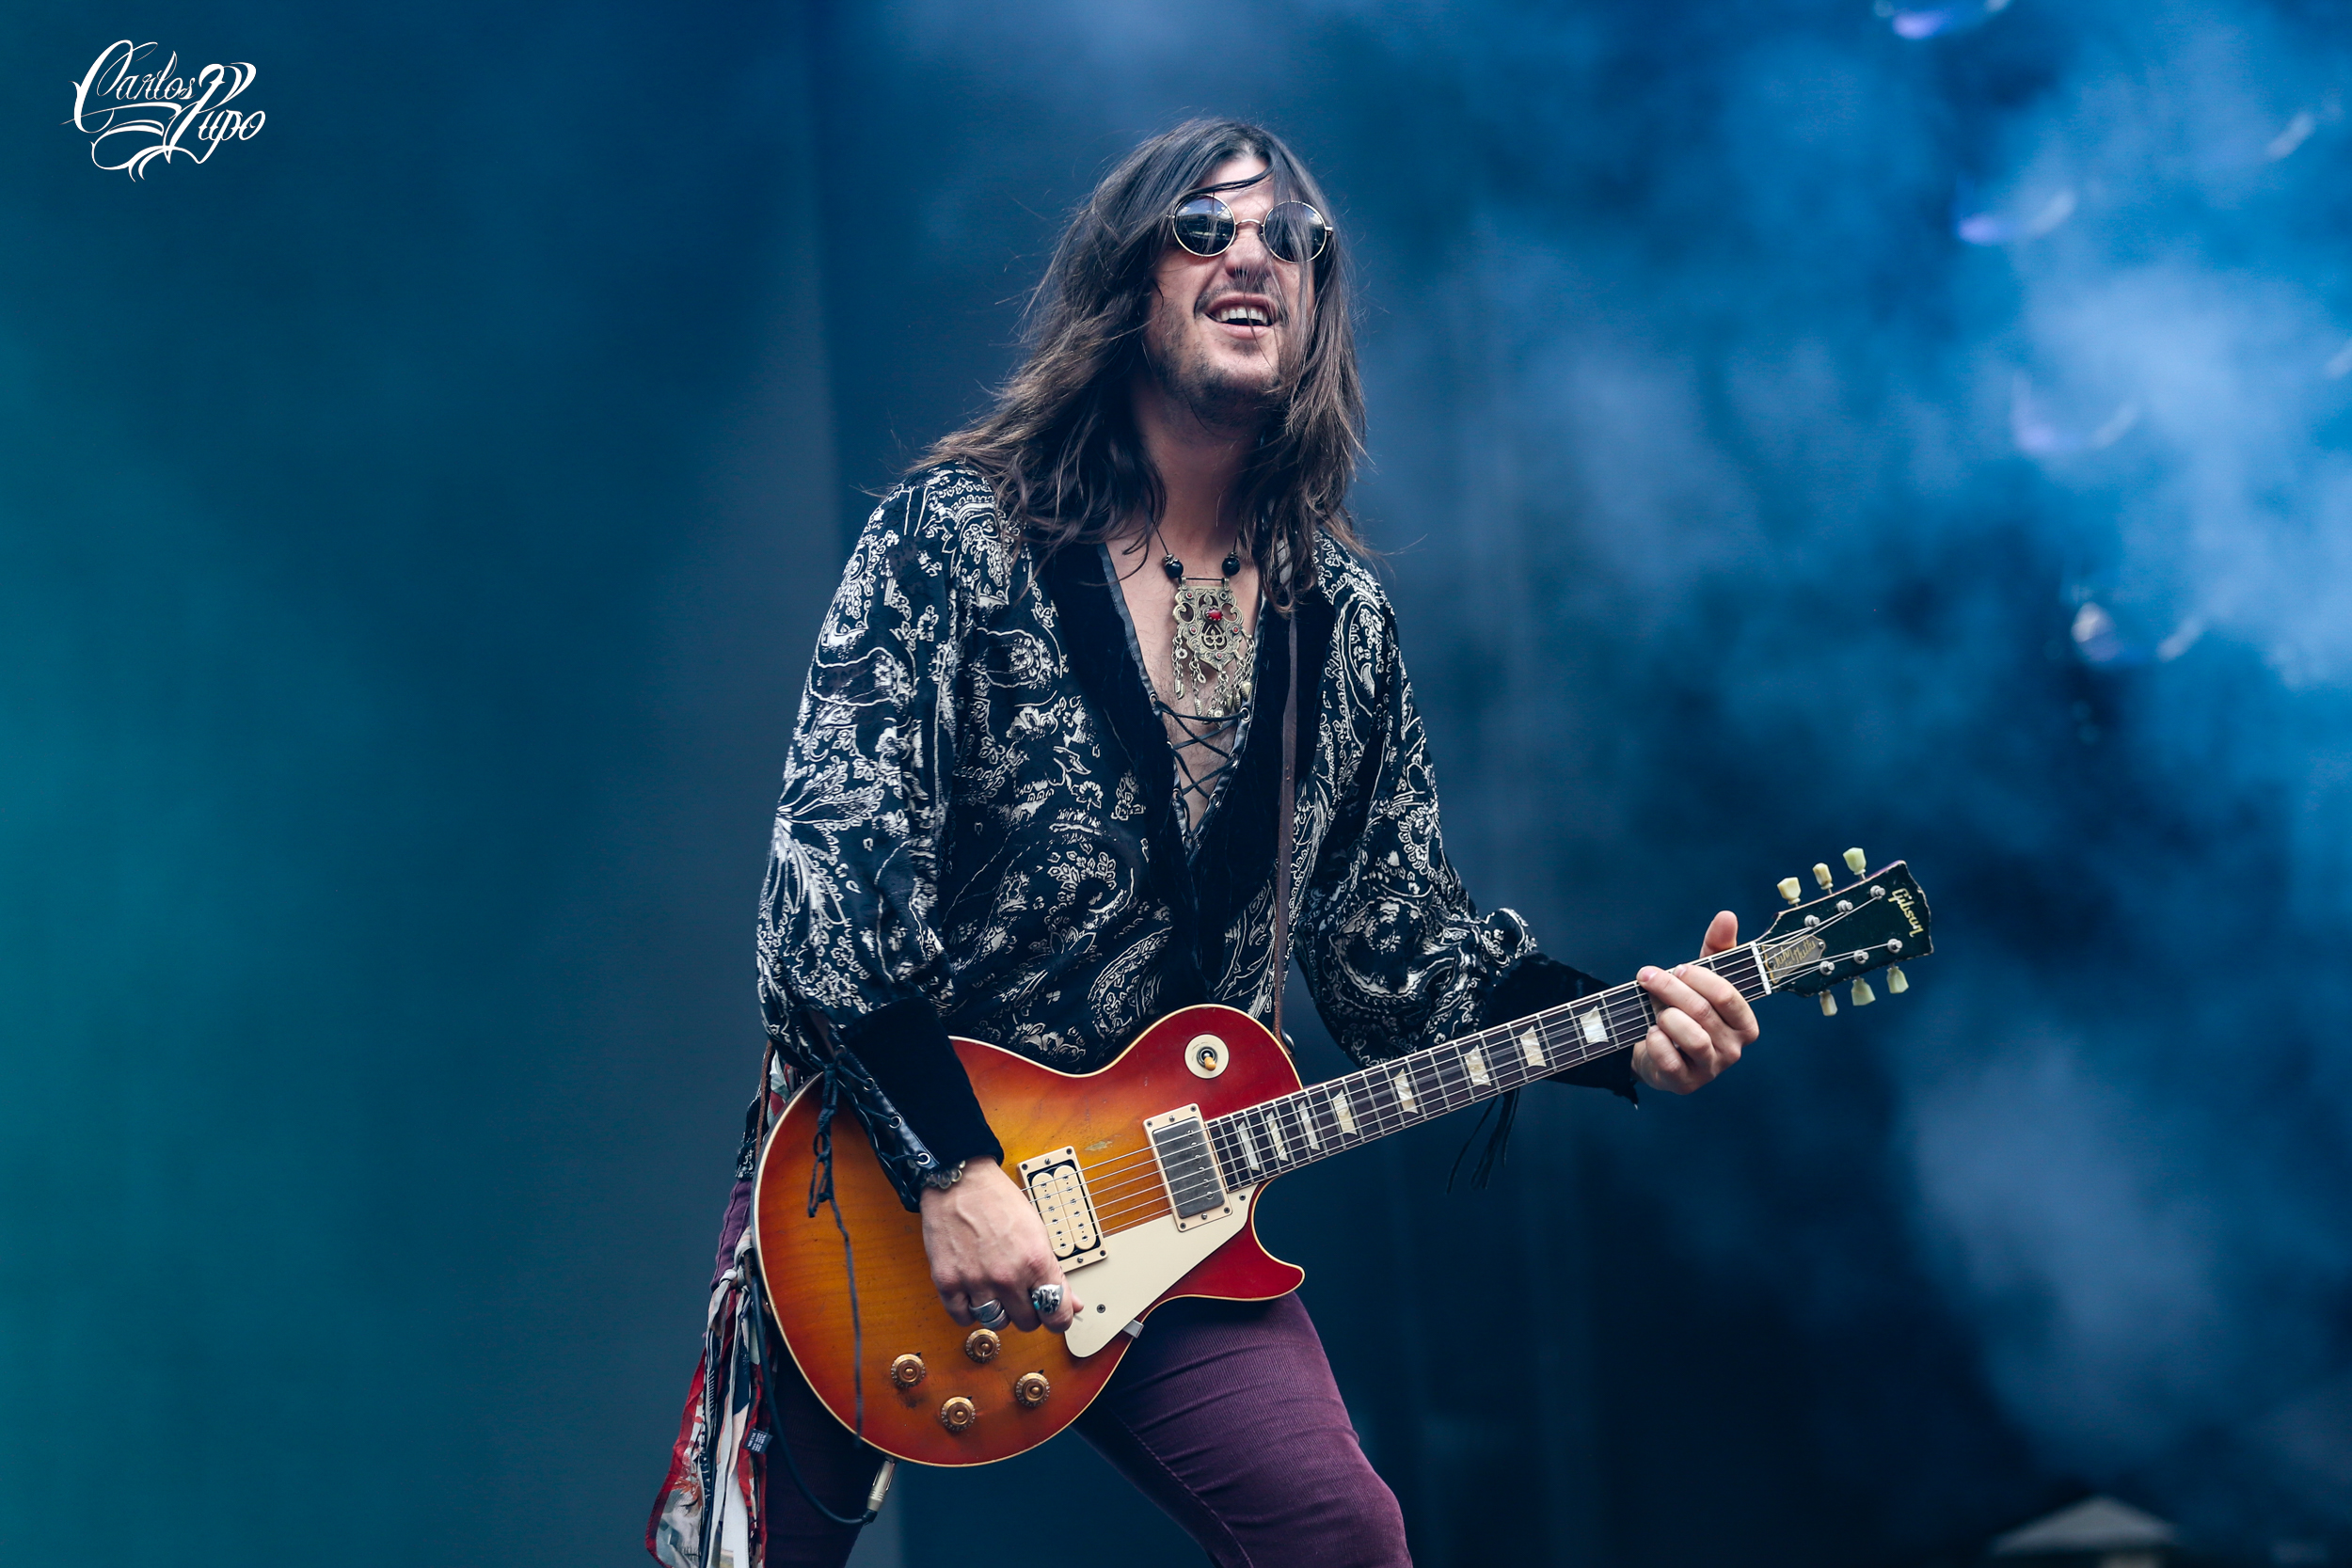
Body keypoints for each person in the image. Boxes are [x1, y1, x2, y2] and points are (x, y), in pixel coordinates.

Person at [649, 118, 1758, 1568]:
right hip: (876, 1185)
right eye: (1203, 227)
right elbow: (830, 892)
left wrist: (1623, 1030)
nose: (1253, 255)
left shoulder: (1337, 620)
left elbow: (1390, 946)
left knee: (1342, 1538)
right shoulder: (957, 539)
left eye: (1290, 238)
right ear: (1130, 281)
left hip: (1166, 1201)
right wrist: (954, 1170)